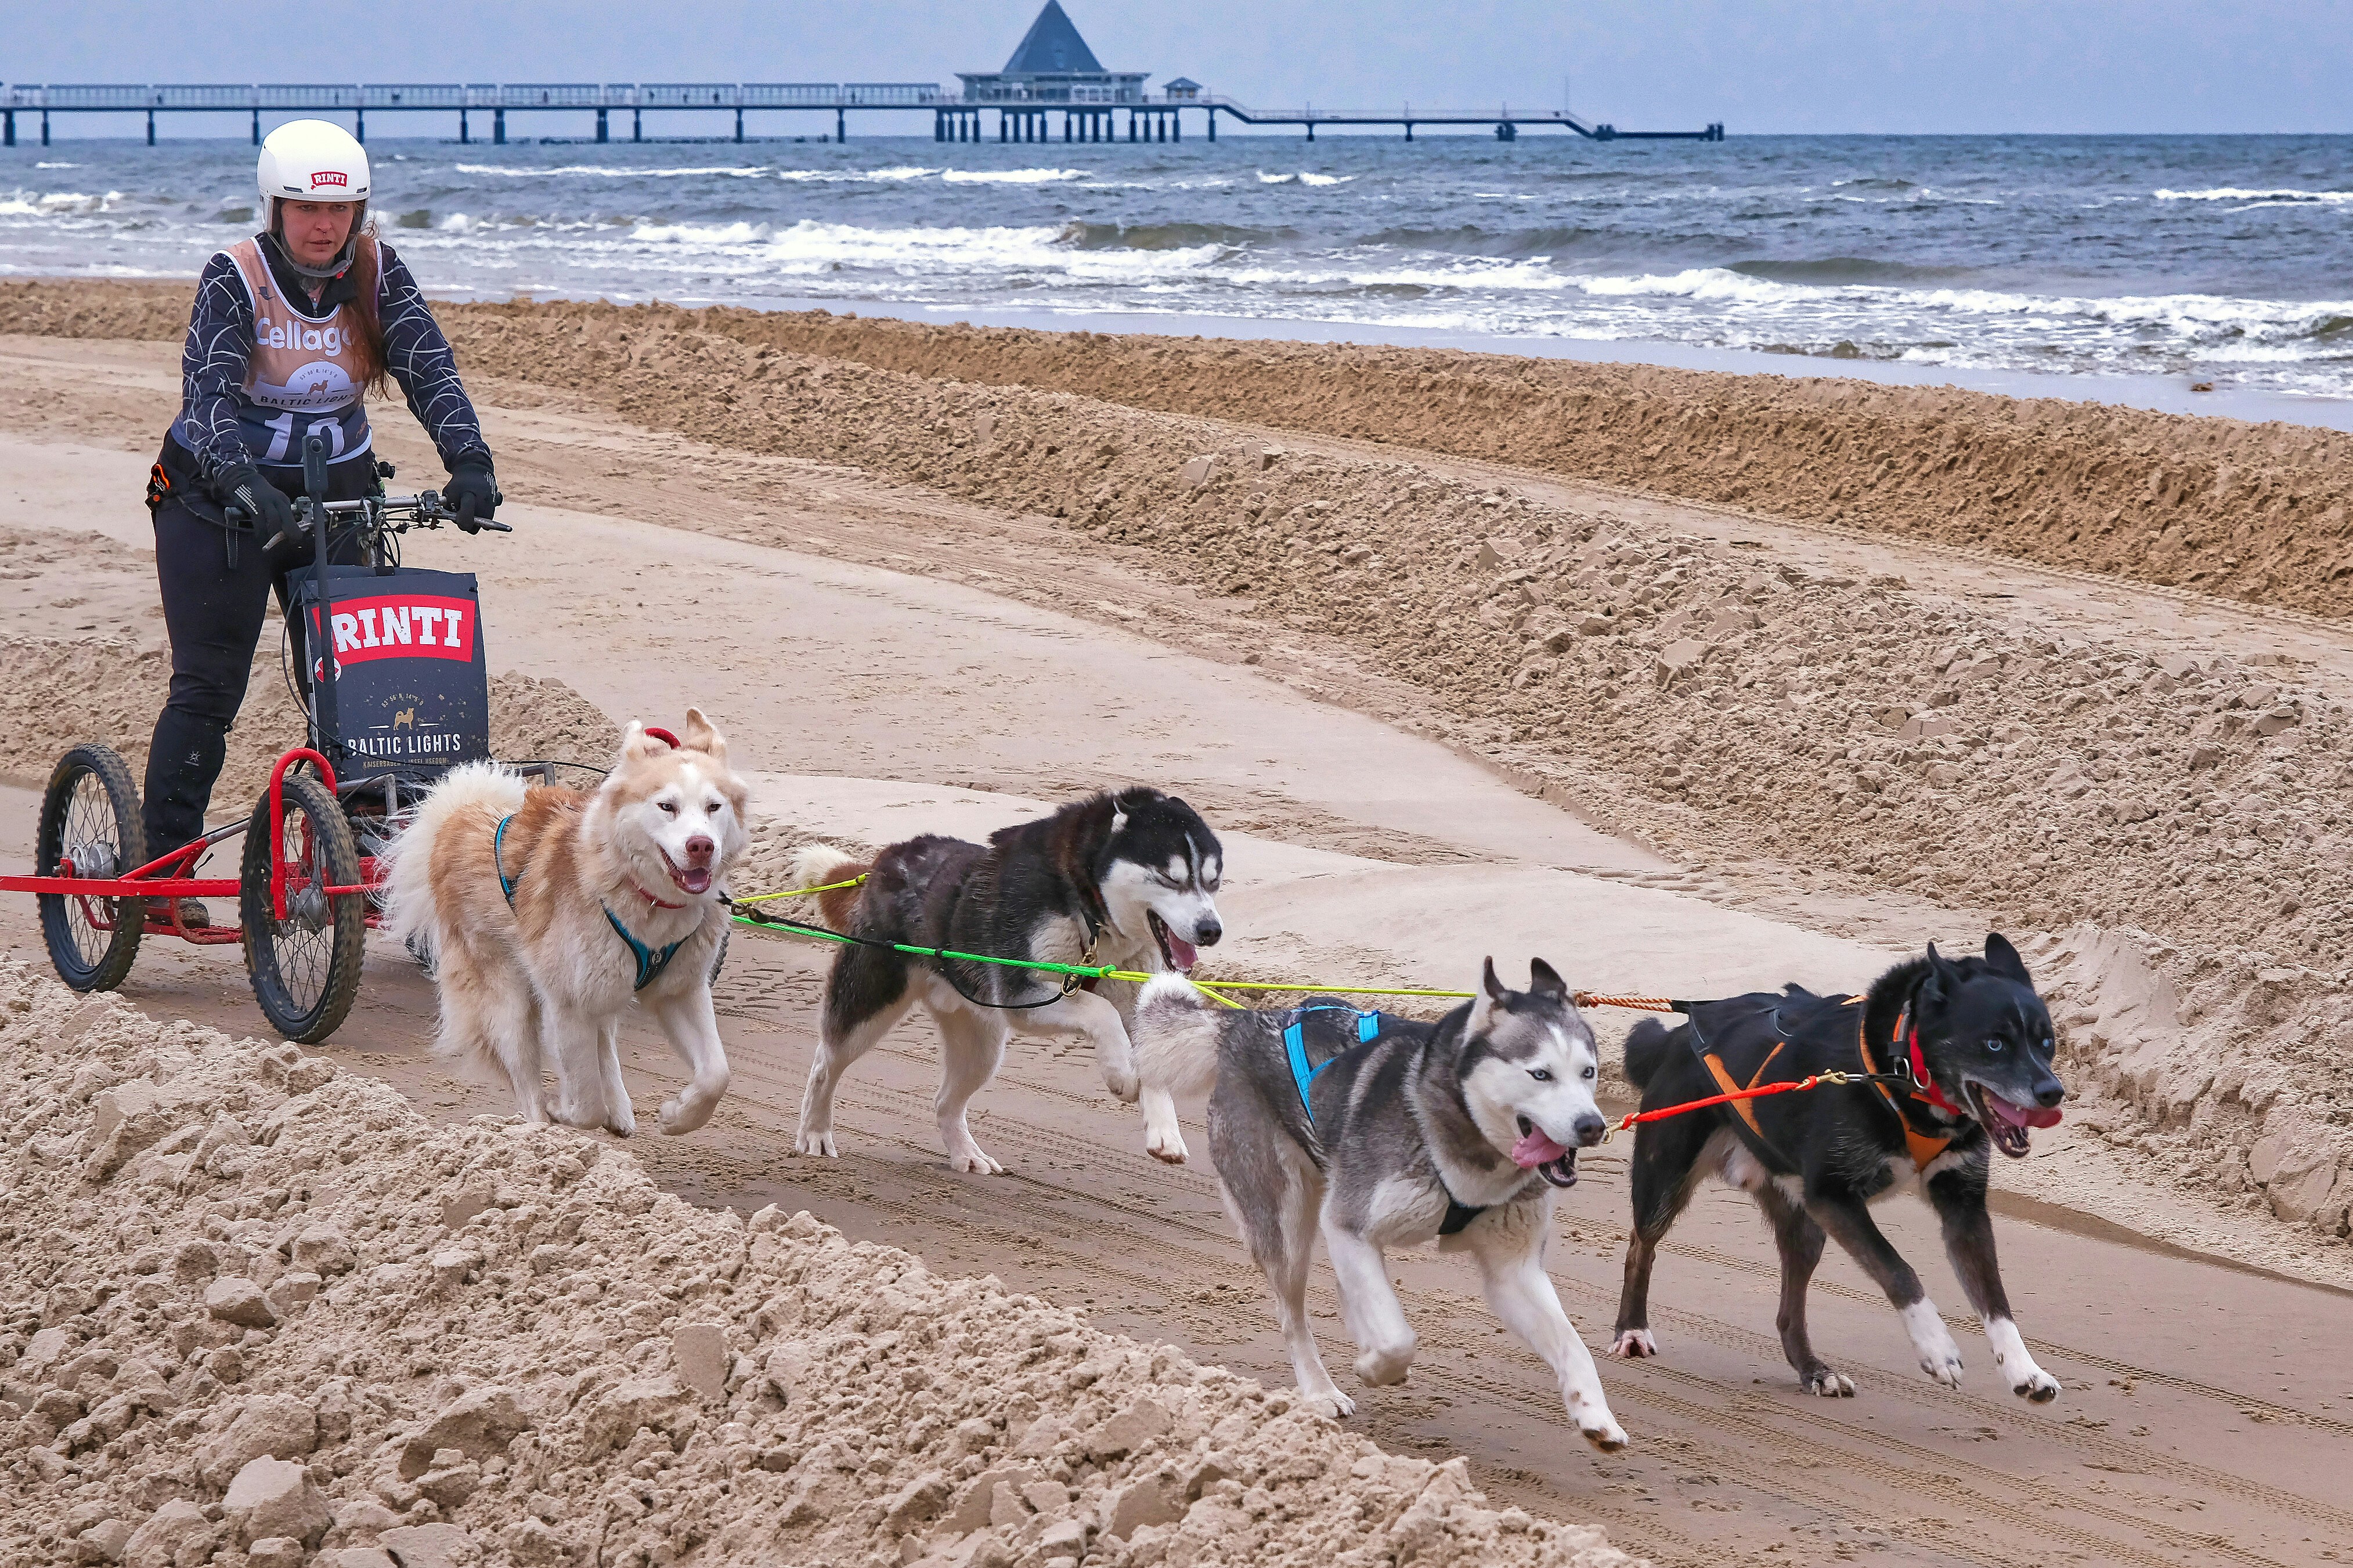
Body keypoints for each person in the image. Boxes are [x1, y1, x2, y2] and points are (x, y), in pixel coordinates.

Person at [141, 119, 498, 925]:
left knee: (362, 684)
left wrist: (469, 461)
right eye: (305, 208)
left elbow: (427, 364)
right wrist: (242, 481)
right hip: (215, 501)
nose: (324, 226)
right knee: (209, 685)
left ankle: (373, 856)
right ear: (274, 208)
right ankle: (164, 867)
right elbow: (208, 400)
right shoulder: (232, 278)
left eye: (341, 211)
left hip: (335, 491)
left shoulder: (377, 272)